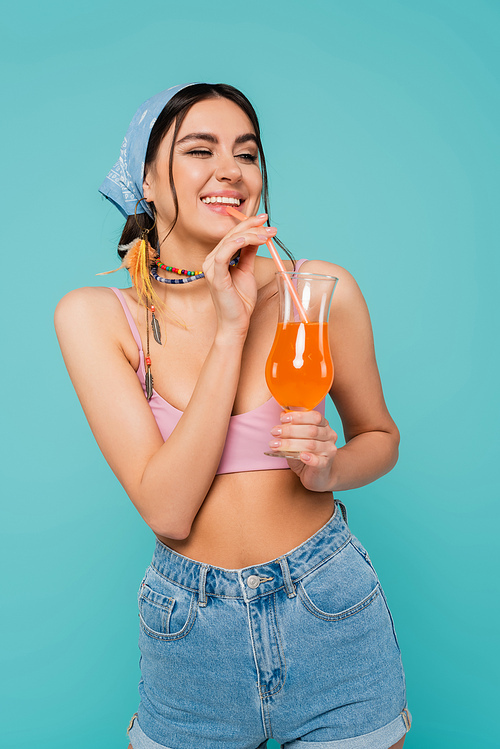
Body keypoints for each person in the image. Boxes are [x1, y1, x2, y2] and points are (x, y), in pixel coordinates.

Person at [55, 83, 411, 749]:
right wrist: (231, 324)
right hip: (190, 635)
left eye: (246, 153)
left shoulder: (318, 293)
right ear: (148, 182)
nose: (231, 169)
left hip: (331, 608)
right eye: (200, 149)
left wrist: (328, 466)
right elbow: (167, 511)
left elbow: (381, 438)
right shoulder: (100, 318)